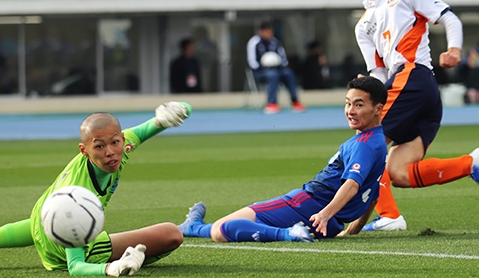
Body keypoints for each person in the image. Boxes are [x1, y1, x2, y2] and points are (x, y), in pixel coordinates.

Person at [352, 0, 479, 232]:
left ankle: (390, 216)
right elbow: (378, 74)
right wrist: (367, 88)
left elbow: (449, 18)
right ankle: (471, 163)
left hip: (413, 77)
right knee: (398, 172)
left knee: (366, 144)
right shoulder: (362, 24)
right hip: (416, 89)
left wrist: (455, 49)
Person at [178, 76, 388, 242]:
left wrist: (324, 214)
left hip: (307, 205)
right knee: (227, 227)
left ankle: (289, 234)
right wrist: (350, 231)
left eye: (358, 105)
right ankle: (193, 226)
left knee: (221, 230)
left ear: (378, 109)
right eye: (348, 103)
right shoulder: (377, 142)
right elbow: (373, 195)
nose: (350, 111)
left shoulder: (365, 145)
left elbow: (352, 185)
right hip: (330, 224)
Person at [0, 101, 192, 276]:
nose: (110, 152)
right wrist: (112, 268)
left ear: (123, 139)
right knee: (171, 234)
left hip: (44, 220)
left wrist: (171, 113)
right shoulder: (75, 196)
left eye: (115, 142)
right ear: (84, 150)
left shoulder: (123, 146)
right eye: (99, 147)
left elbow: (38, 224)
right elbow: (75, 266)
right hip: (61, 246)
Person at [246, 21, 306, 114]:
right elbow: (252, 62)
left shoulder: (275, 42)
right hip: (260, 72)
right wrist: (265, 66)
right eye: (267, 31)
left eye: (271, 31)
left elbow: (283, 59)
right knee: (272, 75)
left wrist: (278, 65)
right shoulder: (254, 42)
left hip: (277, 69)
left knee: (289, 73)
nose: (269, 34)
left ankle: (295, 101)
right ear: (261, 31)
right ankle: (271, 103)